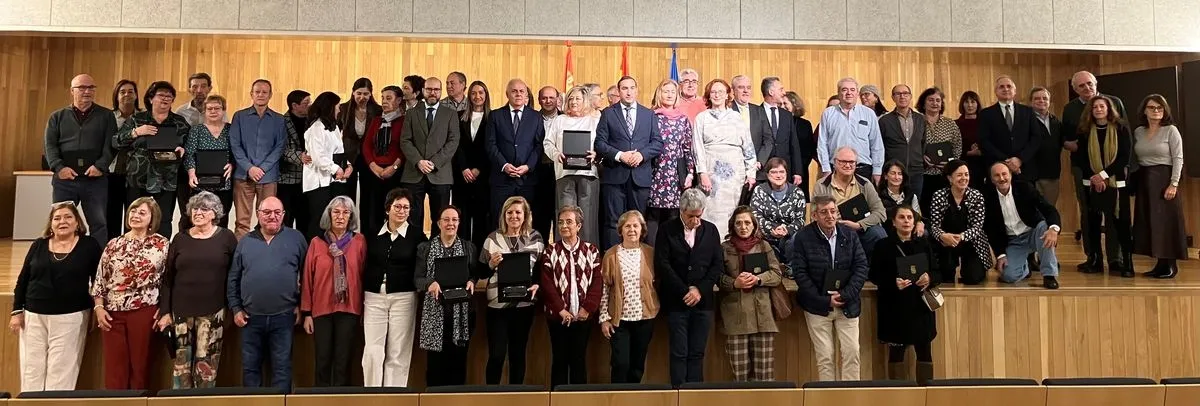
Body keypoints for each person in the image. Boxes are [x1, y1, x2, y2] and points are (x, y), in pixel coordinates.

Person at [10, 202, 101, 392]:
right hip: (33, 316)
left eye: (68, 217)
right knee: (31, 370)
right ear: (51, 223)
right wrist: (17, 311)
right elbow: (23, 279)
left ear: (77, 222)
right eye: (57, 218)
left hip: (71, 317)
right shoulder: (39, 244)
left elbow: (99, 281)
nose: (62, 221)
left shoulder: (89, 245)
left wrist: (97, 308)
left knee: (61, 372)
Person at [227, 196, 308, 390]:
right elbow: (233, 278)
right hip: (250, 318)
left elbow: (307, 276)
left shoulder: (296, 238)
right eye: (267, 212)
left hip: (284, 317)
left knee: (282, 368)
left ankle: (280, 402)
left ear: (283, 215)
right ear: (258, 214)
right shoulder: (245, 241)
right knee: (250, 368)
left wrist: (302, 306)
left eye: (277, 212)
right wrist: (236, 308)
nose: (272, 216)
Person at [158, 191, 238, 388]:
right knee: (181, 369)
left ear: (214, 213)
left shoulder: (227, 238)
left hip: (213, 312)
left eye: (204, 208)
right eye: (195, 208)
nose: (198, 212)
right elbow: (167, 278)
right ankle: (180, 402)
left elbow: (235, 276)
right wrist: (165, 312)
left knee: (206, 370)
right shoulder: (180, 238)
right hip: (181, 313)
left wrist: (234, 308)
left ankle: (203, 400)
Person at [93, 196, 168, 389]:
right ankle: (116, 402)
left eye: (142, 213)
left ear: (152, 219)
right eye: (133, 211)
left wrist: (165, 309)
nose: (135, 215)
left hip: (145, 310)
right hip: (112, 313)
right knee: (114, 369)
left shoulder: (161, 245)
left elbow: (168, 280)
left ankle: (139, 400)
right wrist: (99, 308)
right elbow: (101, 279)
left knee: (140, 367)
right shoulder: (114, 244)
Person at [791, 195, 869, 382]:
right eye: (824, 212)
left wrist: (845, 294)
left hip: (847, 304)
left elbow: (861, 267)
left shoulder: (849, 234)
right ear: (814, 215)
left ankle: (851, 396)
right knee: (825, 357)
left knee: (852, 353)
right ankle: (828, 396)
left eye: (833, 211)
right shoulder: (803, 237)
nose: (830, 216)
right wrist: (825, 300)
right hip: (817, 306)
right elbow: (800, 274)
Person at [654, 188, 723, 386]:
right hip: (677, 301)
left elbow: (717, 265)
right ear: (681, 211)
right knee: (679, 352)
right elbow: (663, 264)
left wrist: (699, 290)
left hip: (703, 302)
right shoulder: (667, 229)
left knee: (697, 352)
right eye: (691, 216)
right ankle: (678, 392)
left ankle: (695, 394)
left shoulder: (711, 230)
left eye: (699, 216)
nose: (695, 221)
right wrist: (685, 291)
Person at [1063, 71, 1128, 273]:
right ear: (1075, 89)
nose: (1087, 87)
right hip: (1084, 171)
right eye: (1081, 85)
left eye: (1089, 83)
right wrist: (1093, 174)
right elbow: (1070, 141)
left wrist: (1104, 174)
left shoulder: (1115, 102)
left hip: (1113, 172)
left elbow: (1124, 141)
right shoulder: (1070, 109)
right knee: (1088, 213)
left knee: (1114, 214)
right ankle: (1093, 257)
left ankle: (1115, 259)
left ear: (1096, 83)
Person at [362, 188, 427, 387]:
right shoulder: (372, 233)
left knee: (398, 352)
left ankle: (394, 396)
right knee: (372, 351)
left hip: (404, 297)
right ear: (387, 209)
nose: (402, 211)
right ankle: (372, 395)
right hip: (373, 296)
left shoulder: (417, 236)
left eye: (406, 207)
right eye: (397, 206)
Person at [479, 196, 545, 384]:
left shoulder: (536, 238)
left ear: (525, 215)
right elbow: (480, 272)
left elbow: (541, 270)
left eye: (518, 212)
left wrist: (537, 284)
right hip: (497, 306)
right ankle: (491, 395)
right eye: (509, 212)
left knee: (518, 354)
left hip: (524, 305)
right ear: (504, 215)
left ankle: (517, 395)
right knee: (497, 355)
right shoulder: (492, 239)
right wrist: (491, 264)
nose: (514, 216)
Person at [302, 196, 367, 387]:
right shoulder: (316, 243)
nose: (340, 216)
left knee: (343, 362)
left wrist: (365, 310)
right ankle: (321, 399)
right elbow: (307, 279)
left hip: (350, 310)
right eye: (336, 212)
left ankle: (341, 399)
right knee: (322, 360)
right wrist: (307, 313)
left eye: (345, 212)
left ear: (351, 217)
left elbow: (364, 276)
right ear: (329, 215)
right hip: (321, 310)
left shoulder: (359, 241)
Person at [868, 204, 938, 383]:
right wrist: (893, 282)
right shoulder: (883, 246)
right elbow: (874, 275)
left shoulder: (923, 244)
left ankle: (926, 391)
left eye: (909, 217)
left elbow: (938, 272)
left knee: (924, 352)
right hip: (894, 308)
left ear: (914, 222)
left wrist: (929, 278)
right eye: (901, 217)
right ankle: (897, 393)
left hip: (920, 307)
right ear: (894, 222)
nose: (906, 221)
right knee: (896, 354)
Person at [45, 73, 116, 246]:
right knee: (62, 222)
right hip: (65, 180)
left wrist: (100, 166)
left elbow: (111, 145)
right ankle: (62, 255)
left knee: (99, 223)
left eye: (91, 87)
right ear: (72, 91)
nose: (87, 91)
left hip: (95, 179)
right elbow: (49, 146)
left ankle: (97, 260)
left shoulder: (106, 116)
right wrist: (59, 168)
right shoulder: (57, 117)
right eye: (82, 87)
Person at [594, 76, 663, 249]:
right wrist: (620, 155)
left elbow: (657, 143)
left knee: (638, 222)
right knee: (613, 222)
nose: (629, 92)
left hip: (640, 177)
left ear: (637, 90)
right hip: (615, 176)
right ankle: (613, 261)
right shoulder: (608, 113)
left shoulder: (649, 114)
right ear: (619, 91)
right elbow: (600, 143)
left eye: (632, 88)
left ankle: (638, 260)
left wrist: (641, 155)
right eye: (624, 88)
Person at [114, 81, 190, 239]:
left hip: (166, 179)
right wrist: (136, 132)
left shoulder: (180, 122)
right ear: (150, 99)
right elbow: (116, 141)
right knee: (135, 220)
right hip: (137, 178)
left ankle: (160, 252)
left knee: (163, 220)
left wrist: (183, 150)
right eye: (161, 95)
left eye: (169, 96)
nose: (165, 99)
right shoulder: (137, 119)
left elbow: (188, 146)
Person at [537, 205, 603, 387]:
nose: (564, 226)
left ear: (578, 226)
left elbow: (597, 282)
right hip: (557, 317)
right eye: (560, 222)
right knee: (559, 359)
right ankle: (557, 397)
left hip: (583, 317)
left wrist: (587, 309)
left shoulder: (592, 251)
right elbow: (547, 284)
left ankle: (578, 399)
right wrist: (561, 310)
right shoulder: (550, 251)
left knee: (578, 360)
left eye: (569, 222)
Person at [416, 205, 479, 387]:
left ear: (459, 223)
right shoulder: (425, 248)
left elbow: (475, 273)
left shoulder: (469, 247)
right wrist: (430, 283)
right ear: (438, 223)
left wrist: (472, 281)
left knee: (458, 366)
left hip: (461, 315)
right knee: (435, 368)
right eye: (446, 219)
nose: (450, 223)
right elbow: (417, 278)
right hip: (435, 315)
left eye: (454, 220)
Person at [719, 206, 783, 382]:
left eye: (747, 223)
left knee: (765, 377)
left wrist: (758, 279)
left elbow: (777, 274)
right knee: (740, 377)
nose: (743, 227)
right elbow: (716, 277)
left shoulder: (764, 246)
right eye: (738, 223)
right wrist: (734, 283)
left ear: (754, 225)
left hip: (763, 317)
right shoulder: (724, 248)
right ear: (732, 226)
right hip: (736, 317)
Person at [1073, 95, 1133, 277]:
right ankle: (1096, 261)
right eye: (1095, 107)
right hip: (1091, 183)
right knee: (1092, 224)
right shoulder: (1084, 131)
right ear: (1090, 111)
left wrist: (1103, 175)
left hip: (1116, 183)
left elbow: (1124, 157)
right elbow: (1081, 158)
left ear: (1109, 109)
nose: (1098, 109)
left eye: (1102, 106)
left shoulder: (1121, 128)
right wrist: (1095, 178)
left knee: (1121, 223)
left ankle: (1126, 263)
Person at [599, 210, 659, 384]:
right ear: (621, 230)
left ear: (642, 230)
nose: (632, 230)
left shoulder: (651, 253)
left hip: (645, 318)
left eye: (635, 226)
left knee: (637, 366)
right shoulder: (611, 255)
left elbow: (658, 283)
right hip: (619, 320)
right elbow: (604, 288)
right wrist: (604, 318)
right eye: (627, 226)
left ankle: (633, 396)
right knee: (621, 364)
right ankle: (618, 396)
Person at [1132, 94, 1187, 278]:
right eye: (1152, 107)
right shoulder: (1139, 132)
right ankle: (1160, 264)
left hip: (1164, 180)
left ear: (1165, 111)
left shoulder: (1171, 130)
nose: (1156, 111)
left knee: (1166, 223)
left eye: (1159, 108)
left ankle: (1170, 265)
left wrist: (1174, 184)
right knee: (1151, 223)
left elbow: (1178, 158)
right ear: (1144, 111)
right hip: (1145, 180)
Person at [982, 163, 1062, 289]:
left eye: (1004, 174)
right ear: (992, 179)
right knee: (1008, 276)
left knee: (1045, 228)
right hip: (1013, 240)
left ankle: (1049, 275)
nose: (1002, 178)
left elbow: (1048, 209)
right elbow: (991, 229)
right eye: (997, 175)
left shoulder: (1024, 188)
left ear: (1010, 175)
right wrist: (1000, 255)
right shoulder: (987, 197)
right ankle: (1025, 267)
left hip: (1033, 232)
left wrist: (1054, 229)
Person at [694, 79, 756, 240]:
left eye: (721, 92)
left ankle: (729, 247)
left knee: (732, 212)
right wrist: (702, 173)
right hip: (710, 172)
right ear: (708, 95)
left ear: (727, 95)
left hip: (734, 174)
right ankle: (711, 244)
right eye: (713, 92)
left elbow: (748, 147)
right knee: (710, 211)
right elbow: (697, 147)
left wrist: (751, 173)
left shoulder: (736, 117)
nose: (717, 95)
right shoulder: (701, 118)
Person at [401, 77, 460, 238]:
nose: (433, 93)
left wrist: (434, 162)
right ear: (423, 91)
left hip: (440, 174)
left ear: (441, 92)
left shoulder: (450, 114)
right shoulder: (411, 113)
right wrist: (418, 161)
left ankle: (436, 249)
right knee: (413, 217)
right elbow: (405, 140)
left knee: (440, 218)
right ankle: (415, 249)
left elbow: (453, 141)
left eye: (436, 90)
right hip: (414, 173)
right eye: (429, 89)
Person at [229, 79, 286, 238]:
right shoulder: (239, 116)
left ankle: (264, 251)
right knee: (242, 221)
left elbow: (280, 147)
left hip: (268, 177)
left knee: (268, 220)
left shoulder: (279, 119)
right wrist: (250, 168)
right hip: (243, 176)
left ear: (270, 95)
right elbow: (235, 145)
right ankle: (242, 252)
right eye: (257, 92)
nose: (260, 95)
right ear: (251, 94)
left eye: (264, 92)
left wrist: (262, 168)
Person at [544, 85, 601, 244]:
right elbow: (548, 143)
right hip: (564, 174)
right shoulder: (559, 120)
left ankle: (588, 255)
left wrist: (597, 154)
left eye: (578, 98)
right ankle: (563, 254)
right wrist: (556, 155)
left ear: (585, 101)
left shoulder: (594, 121)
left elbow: (602, 144)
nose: (574, 102)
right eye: (571, 98)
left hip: (588, 175)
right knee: (566, 217)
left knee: (587, 219)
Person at [485, 78, 545, 227]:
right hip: (501, 180)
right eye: (514, 91)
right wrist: (504, 165)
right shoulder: (495, 115)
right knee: (499, 221)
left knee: (525, 222)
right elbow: (490, 144)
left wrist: (528, 166)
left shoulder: (536, 117)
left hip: (527, 180)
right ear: (507, 94)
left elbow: (539, 146)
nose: (518, 94)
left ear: (526, 95)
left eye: (521, 91)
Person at [927, 160, 993, 285]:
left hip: (972, 242)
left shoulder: (976, 195)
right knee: (945, 276)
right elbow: (934, 225)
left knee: (973, 277)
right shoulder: (938, 195)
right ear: (950, 178)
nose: (964, 178)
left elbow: (977, 227)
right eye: (959, 175)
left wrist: (961, 237)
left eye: (966, 174)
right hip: (946, 242)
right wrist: (942, 236)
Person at [645, 79, 695, 240]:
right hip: (655, 172)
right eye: (666, 91)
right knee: (653, 216)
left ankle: (671, 252)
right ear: (659, 94)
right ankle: (652, 252)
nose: (669, 95)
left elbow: (687, 148)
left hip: (675, 175)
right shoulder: (651, 117)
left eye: (673, 92)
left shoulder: (683, 120)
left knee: (673, 217)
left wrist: (690, 173)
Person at [813, 147, 888, 253]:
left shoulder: (865, 183)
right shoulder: (821, 185)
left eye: (851, 162)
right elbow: (815, 215)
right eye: (843, 161)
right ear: (834, 163)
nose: (848, 165)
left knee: (878, 234)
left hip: (861, 229)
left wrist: (860, 225)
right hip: (833, 230)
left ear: (856, 164)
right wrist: (836, 223)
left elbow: (880, 212)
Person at [182, 95, 235, 230]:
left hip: (224, 182)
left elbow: (238, 151)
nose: (213, 111)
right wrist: (191, 173)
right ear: (204, 111)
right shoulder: (196, 130)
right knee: (197, 220)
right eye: (209, 108)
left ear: (223, 110)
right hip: (200, 182)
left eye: (217, 108)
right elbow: (189, 153)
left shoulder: (231, 129)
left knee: (221, 220)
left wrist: (233, 164)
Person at [817, 77, 883, 183]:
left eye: (852, 90)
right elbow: (822, 143)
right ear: (839, 93)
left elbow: (876, 144)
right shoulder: (828, 113)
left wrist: (877, 171)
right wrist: (826, 169)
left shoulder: (869, 114)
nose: (849, 93)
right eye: (844, 90)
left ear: (857, 93)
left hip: (863, 170)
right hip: (836, 170)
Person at [303, 92, 348, 240]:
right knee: (319, 221)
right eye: (337, 106)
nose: (339, 110)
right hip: (318, 183)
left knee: (331, 222)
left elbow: (338, 151)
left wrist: (347, 166)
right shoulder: (316, 128)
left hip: (332, 181)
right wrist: (336, 169)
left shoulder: (334, 127)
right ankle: (314, 252)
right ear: (330, 107)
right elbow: (318, 157)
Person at [360, 85, 405, 234]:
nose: (384, 102)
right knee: (374, 211)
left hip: (395, 172)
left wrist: (394, 167)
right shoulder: (376, 121)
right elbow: (366, 146)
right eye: (383, 98)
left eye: (389, 98)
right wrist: (374, 167)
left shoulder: (404, 121)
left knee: (393, 208)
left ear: (398, 100)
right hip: (375, 172)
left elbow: (405, 147)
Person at [977, 76, 1039, 182]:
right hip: (997, 169)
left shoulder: (1028, 112)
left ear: (1015, 91)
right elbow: (984, 141)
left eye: (1009, 86)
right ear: (996, 92)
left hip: (1024, 169)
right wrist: (1006, 161)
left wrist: (1020, 159)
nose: (1005, 89)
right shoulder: (985, 114)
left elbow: (1036, 138)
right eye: (1001, 87)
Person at [454, 81, 493, 251]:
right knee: (461, 218)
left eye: (481, 93)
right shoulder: (458, 116)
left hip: (483, 177)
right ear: (468, 96)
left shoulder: (493, 117)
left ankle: (479, 259)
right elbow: (456, 145)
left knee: (481, 220)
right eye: (473, 93)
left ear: (486, 95)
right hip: (462, 175)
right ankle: (462, 257)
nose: (477, 96)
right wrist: (464, 168)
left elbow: (491, 147)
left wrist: (478, 169)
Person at [749, 158, 807, 264]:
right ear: (767, 174)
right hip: (765, 236)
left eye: (781, 172)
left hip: (789, 237)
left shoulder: (797, 193)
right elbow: (755, 215)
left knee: (798, 239)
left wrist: (787, 230)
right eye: (774, 172)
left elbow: (800, 220)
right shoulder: (759, 190)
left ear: (786, 173)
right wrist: (771, 229)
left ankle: (791, 267)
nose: (778, 175)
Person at [751, 77, 804, 189]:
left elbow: (794, 144)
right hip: (761, 172)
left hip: (784, 171)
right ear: (771, 92)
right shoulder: (755, 113)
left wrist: (797, 171)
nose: (784, 92)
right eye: (781, 89)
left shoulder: (787, 115)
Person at [339, 77, 384, 202]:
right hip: (348, 156)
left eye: (365, 94)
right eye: (359, 93)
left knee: (369, 193)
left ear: (370, 94)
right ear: (353, 92)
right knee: (347, 193)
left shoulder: (378, 111)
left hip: (370, 156)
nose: (362, 97)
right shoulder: (343, 109)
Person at [916, 87, 962, 208]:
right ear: (923, 103)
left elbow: (957, 146)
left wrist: (950, 164)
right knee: (924, 207)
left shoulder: (950, 124)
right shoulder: (916, 122)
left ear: (942, 104)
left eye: (938, 100)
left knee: (944, 207)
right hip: (922, 173)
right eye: (931, 100)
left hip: (944, 174)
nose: (935, 103)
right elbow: (912, 145)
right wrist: (921, 157)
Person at [879, 84, 927, 198]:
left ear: (910, 96)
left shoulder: (920, 119)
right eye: (898, 94)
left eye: (905, 93)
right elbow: (880, 147)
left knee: (915, 203)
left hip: (916, 171)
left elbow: (923, 143)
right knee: (894, 203)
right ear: (893, 97)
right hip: (894, 172)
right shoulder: (885, 121)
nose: (902, 96)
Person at [108, 79, 141, 239]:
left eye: (130, 91)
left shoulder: (143, 117)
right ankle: (113, 248)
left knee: (133, 216)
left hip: (135, 174)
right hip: (112, 172)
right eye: (122, 92)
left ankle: (131, 248)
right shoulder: (109, 117)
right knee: (111, 215)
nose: (127, 95)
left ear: (136, 95)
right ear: (116, 96)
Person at [281, 90, 313, 236]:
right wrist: (298, 157)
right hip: (287, 179)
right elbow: (279, 148)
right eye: (306, 103)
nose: (310, 105)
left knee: (305, 219)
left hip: (307, 179)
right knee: (286, 219)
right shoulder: (281, 122)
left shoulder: (312, 121)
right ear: (294, 105)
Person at [1030, 87, 1064, 205]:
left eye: (1045, 98)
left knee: (1050, 208)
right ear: (1031, 102)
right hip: (1032, 175)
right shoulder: (1025, 120)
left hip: (1051, 174)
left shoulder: (1055, 121)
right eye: (1037, 98)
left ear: (1049, 101)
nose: (1041, 101)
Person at [877, 160, 925, 236]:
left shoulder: (911, 195)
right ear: (885, 176)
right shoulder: (878, 196)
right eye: (893, 173)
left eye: (900, 174)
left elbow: (917, 216)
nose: (896, 177)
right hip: (887, 231)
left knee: (923, 232)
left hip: (908, 230)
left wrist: (919, 223)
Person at [782, 91, 816, 194]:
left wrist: (798, 168)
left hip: (800, 171)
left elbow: (809, 149)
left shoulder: (805, 124)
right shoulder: (778, 123)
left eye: (785, 103)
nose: (782, 106)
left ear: (795, 105)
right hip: (780, 170)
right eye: (780, 104)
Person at [955, 91, 986, 188]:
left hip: (984, 164)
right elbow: (953, 146)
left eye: (973, 102)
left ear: (978, 104)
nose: (970, 105)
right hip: (963, 165)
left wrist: (981, 150)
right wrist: (968, 152)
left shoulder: (986, 122)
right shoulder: (955, 124)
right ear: (962, 104)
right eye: (966, 102)